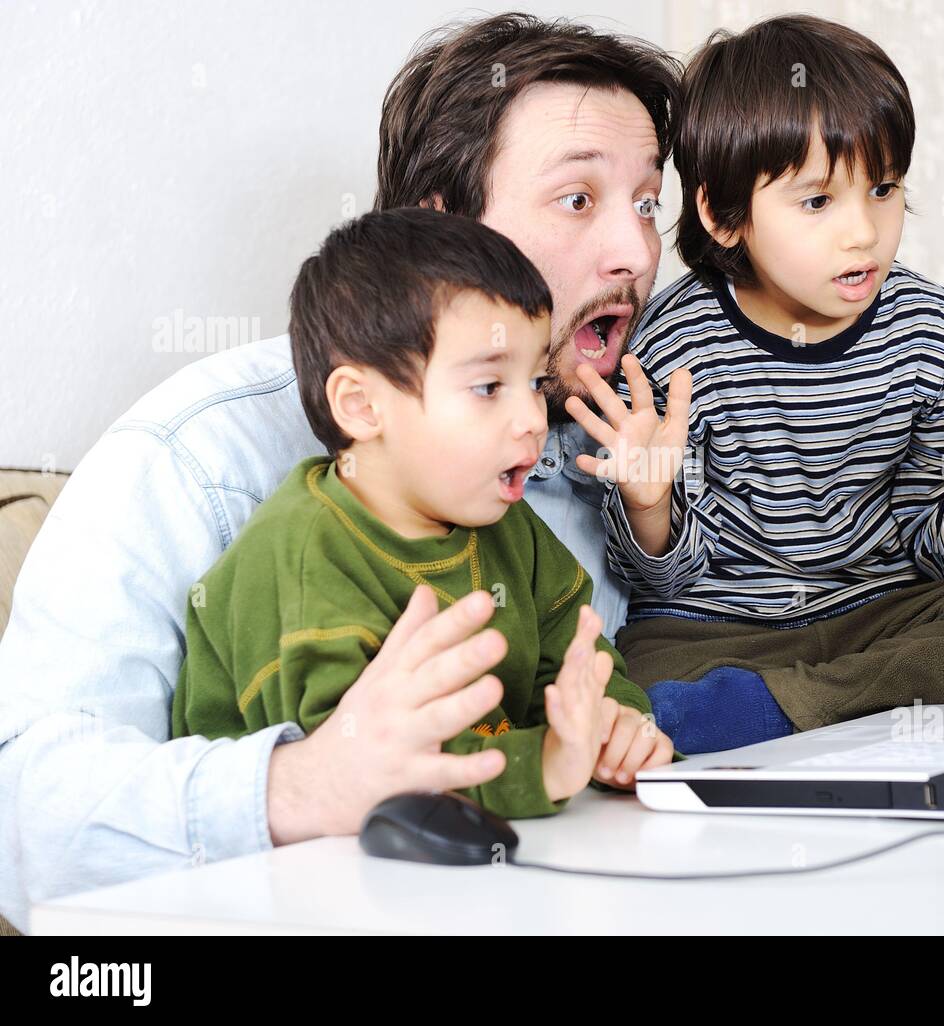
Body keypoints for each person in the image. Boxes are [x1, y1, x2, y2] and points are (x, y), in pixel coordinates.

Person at [0, 14, 683, 933]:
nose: (638, 255)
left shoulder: (589, 440)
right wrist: (305, 785)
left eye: (646, 203)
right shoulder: (200, 457)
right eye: (577, 201)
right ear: (438, 231)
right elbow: (21, 814)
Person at [565, 15, 944, 754]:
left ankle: (788, 710)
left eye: (882, 190)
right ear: (725, 217)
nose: (864, 232)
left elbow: (942, 549)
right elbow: (666, 578)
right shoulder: (670, 344)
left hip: (884, 615)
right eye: (818, 201)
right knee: (631, 674)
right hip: (715, 632)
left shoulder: (938, 332)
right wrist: (647, 500)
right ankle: (838, 704)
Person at [171, 208, 674, 818]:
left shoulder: (504, 523)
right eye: (489, 387)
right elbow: (366, 774)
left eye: (536, 384)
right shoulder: (304, 557)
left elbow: (574, 657)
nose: (533, 420)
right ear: (360, 406)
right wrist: (539, 766)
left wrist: (612, 726)